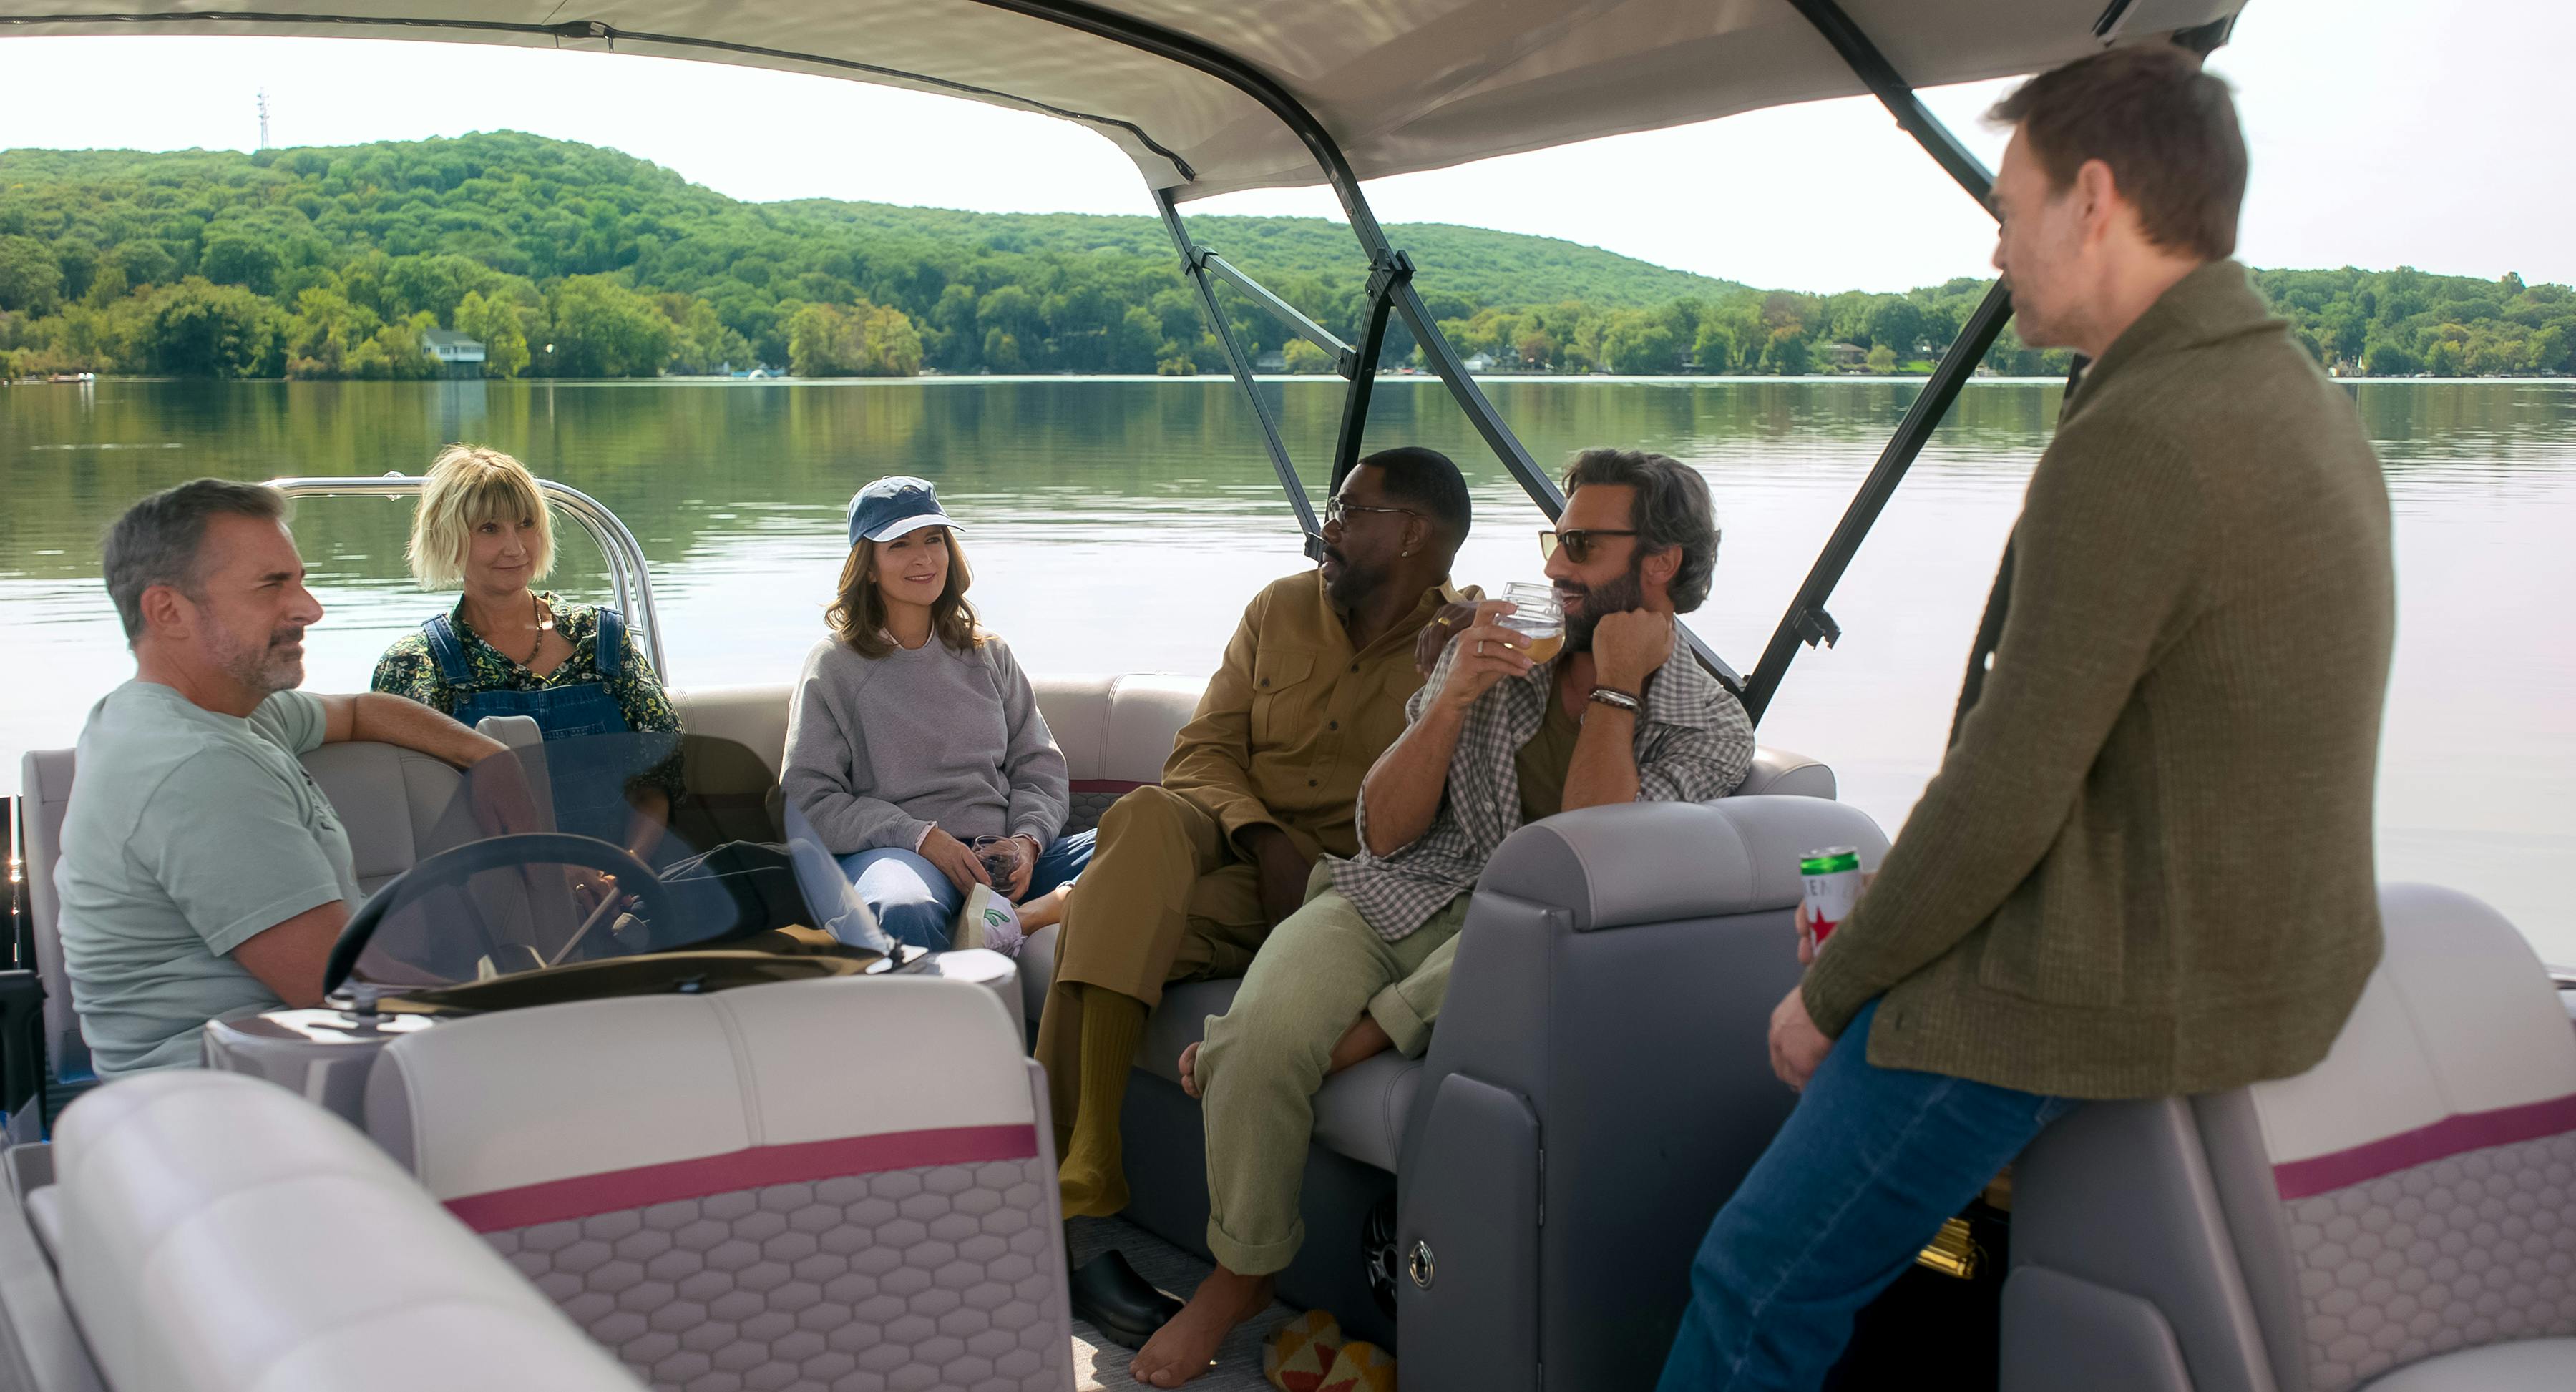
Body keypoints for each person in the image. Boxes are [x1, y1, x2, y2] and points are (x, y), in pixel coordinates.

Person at [1656, 47, 2395, 1391]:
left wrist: (1835, 991)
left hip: (2102, 979)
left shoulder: (2145, 435)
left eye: (2009, 207)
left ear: (2093, 201)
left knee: (1753, 1280)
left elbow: (2007, 784)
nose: (1995, 245)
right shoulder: (2295, 396)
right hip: (2266, 958)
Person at [1131, 449, 1756, 1387]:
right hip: (1407, 887)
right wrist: (1450, 701)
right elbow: (1380, 833)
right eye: (1555, 539)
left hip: (1545, 936)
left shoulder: (1713, 727)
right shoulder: (1508, 655)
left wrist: (1618, 694)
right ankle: (1241, 1273)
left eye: (1579, 545)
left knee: (1508, 935)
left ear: (1660, 562)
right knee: (1261, 1037)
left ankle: (1347, 1040)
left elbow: (1591, 866)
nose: (1551, 567)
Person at [1039, 446, 1475, 1346]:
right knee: (1147, 818)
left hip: (1347, 893)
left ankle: (1060, 1178)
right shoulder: (1280, 606)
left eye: (1351, 511)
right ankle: (1088, 1158)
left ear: (1412, 536)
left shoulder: (1463, 649)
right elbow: (1200, 753)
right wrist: (1261, 836)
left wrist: (1307, 869)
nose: (1328, 526)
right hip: (1235, 853)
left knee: (1099, 910)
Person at [54, 479, 528, 1077]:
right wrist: (535, 1010)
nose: (310, 608)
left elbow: (360, 709)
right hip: (234, 1096)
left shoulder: (208, 711)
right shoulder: (198, 768)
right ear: (167, 611)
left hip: (294, 1056)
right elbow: (352, 990)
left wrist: (489, 757)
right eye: (272, 586)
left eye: (298, 580)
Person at [782, 476, 1088, 951]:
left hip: (1006, 860)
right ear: (868, 566)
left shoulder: (991, 653)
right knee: (903, 908)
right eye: (900, 545)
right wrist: (922, 838)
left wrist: (1026, 842)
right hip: (903, 859)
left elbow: (1038, 769)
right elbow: (808, 800)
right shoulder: (834, 666)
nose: (923, 558)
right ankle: (996, 938)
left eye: (933, 539)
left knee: (1143, 848)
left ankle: (1014, 921)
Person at [370, 443, 680, 852]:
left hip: (627, 885)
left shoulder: (601, 639)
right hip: (493, 897)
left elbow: (658, 778)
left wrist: (627, 870)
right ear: (445, 538)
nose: (515, 548)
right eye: (489, 529)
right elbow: (419, 814)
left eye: (526, 524)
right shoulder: (416, 666)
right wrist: (558, 881)